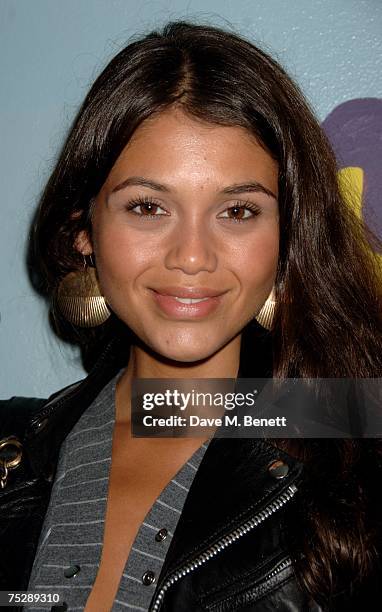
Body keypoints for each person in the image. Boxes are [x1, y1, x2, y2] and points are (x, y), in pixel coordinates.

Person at [1, 19, 382, 612]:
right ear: (84, 231)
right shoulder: (12, 453)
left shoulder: (357, 460)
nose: (193, 257)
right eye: (149, 206)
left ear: (289, 237)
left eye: (237, 211)